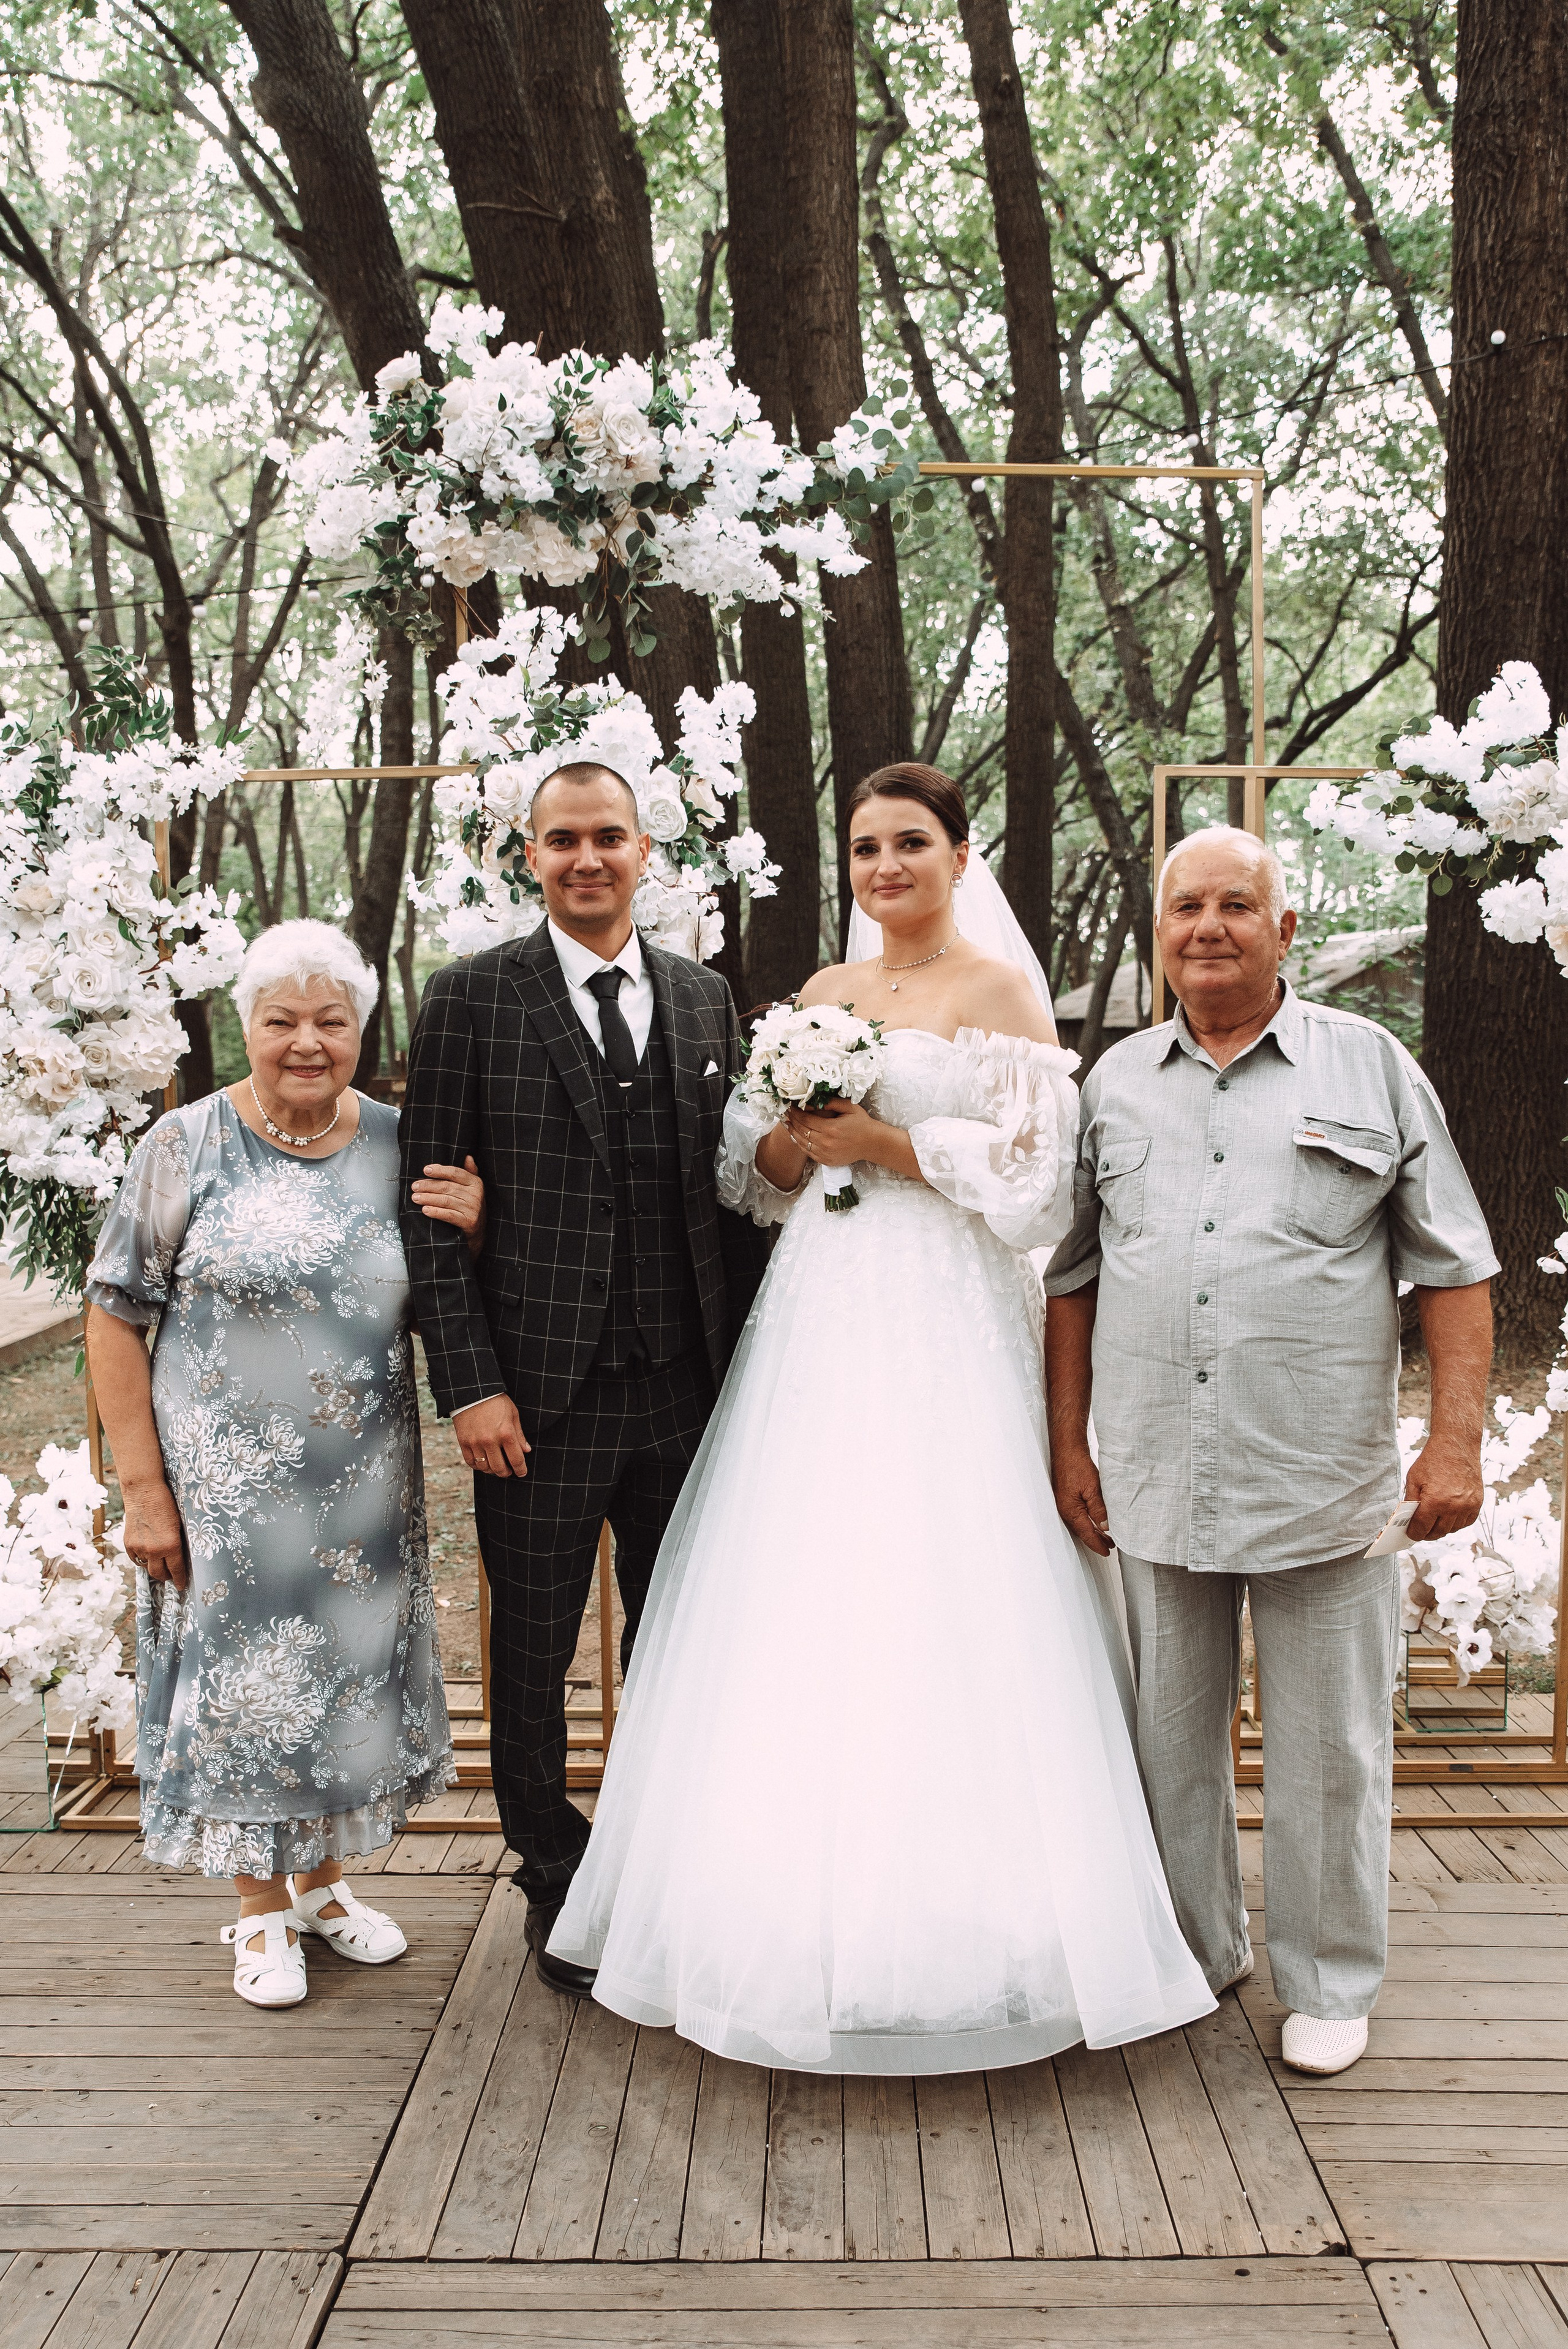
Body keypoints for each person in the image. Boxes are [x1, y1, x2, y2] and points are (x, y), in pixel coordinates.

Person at [546, 763, 1215, 2074]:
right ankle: (780, 1919)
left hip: (951, 1314)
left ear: (961, 856)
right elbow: (752, 1173)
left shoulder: (1000, 993)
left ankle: (984, 1927)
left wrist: (891, 1146)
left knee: (953, 1583)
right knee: (809, 1579)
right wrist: (799, 1137)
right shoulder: (822, 992)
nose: (885, 866)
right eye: (864, 847)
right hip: (823, 1312)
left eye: (911, 841)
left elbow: (1040, 1190)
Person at [1042, 825, 1497, 2078]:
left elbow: (1455, 1269)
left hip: (1318, 1478)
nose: (1208, 928)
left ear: (1283, 928)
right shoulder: (1114, 1083)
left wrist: (1454, 1444)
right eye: (1184, 907)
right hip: (1154, 1472)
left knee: (1328, 1748)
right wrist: (1067, 1442)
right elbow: (1072, 1279)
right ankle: (1194, 1954)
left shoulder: (1371, 1068)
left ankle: (1329, 1980)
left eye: (1236, 905)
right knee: (1166, 1741)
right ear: (1159, 934)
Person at [398, 763, 767, 1994]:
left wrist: (749, 1378)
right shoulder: (469, 997)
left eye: (609, 835)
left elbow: (731, 1199)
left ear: (646, 850)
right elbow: (425, 1214)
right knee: (530, 1656)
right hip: (535, 1399)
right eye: (562, 839)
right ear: (531, 855)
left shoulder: (705, 997)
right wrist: (469, 1384)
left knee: (684, 1646)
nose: (587, 857)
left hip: (685, 1392)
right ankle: (554, 1874)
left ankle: (665, 1867)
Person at [85, 920, 486, 2010]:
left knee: (344, 1681)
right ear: (245, 1027)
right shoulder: (187, 1145)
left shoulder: (402, 1142)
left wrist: (475, 1230)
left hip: (360, 1493)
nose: (307, 1042)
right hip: (226, 1497)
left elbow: (443, 1300)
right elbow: (114, 1316)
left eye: (331, 1021)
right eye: (282, 1021)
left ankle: (320, 1888)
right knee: (245, 1691)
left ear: (363, 1030)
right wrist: (143, 1490)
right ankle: (259, 1908)